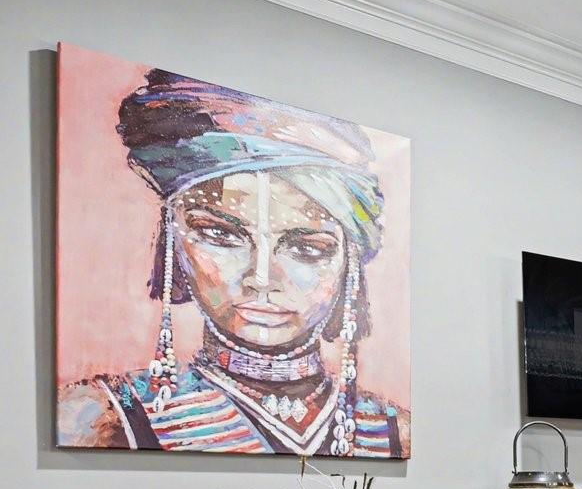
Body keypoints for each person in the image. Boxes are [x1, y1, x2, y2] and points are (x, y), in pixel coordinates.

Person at [57, 68, 406, 457]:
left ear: (349, 265)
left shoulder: (397, 432)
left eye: (307, 249)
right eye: (221, 236)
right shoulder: (93, 417)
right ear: (173, 242)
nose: (261, 278)